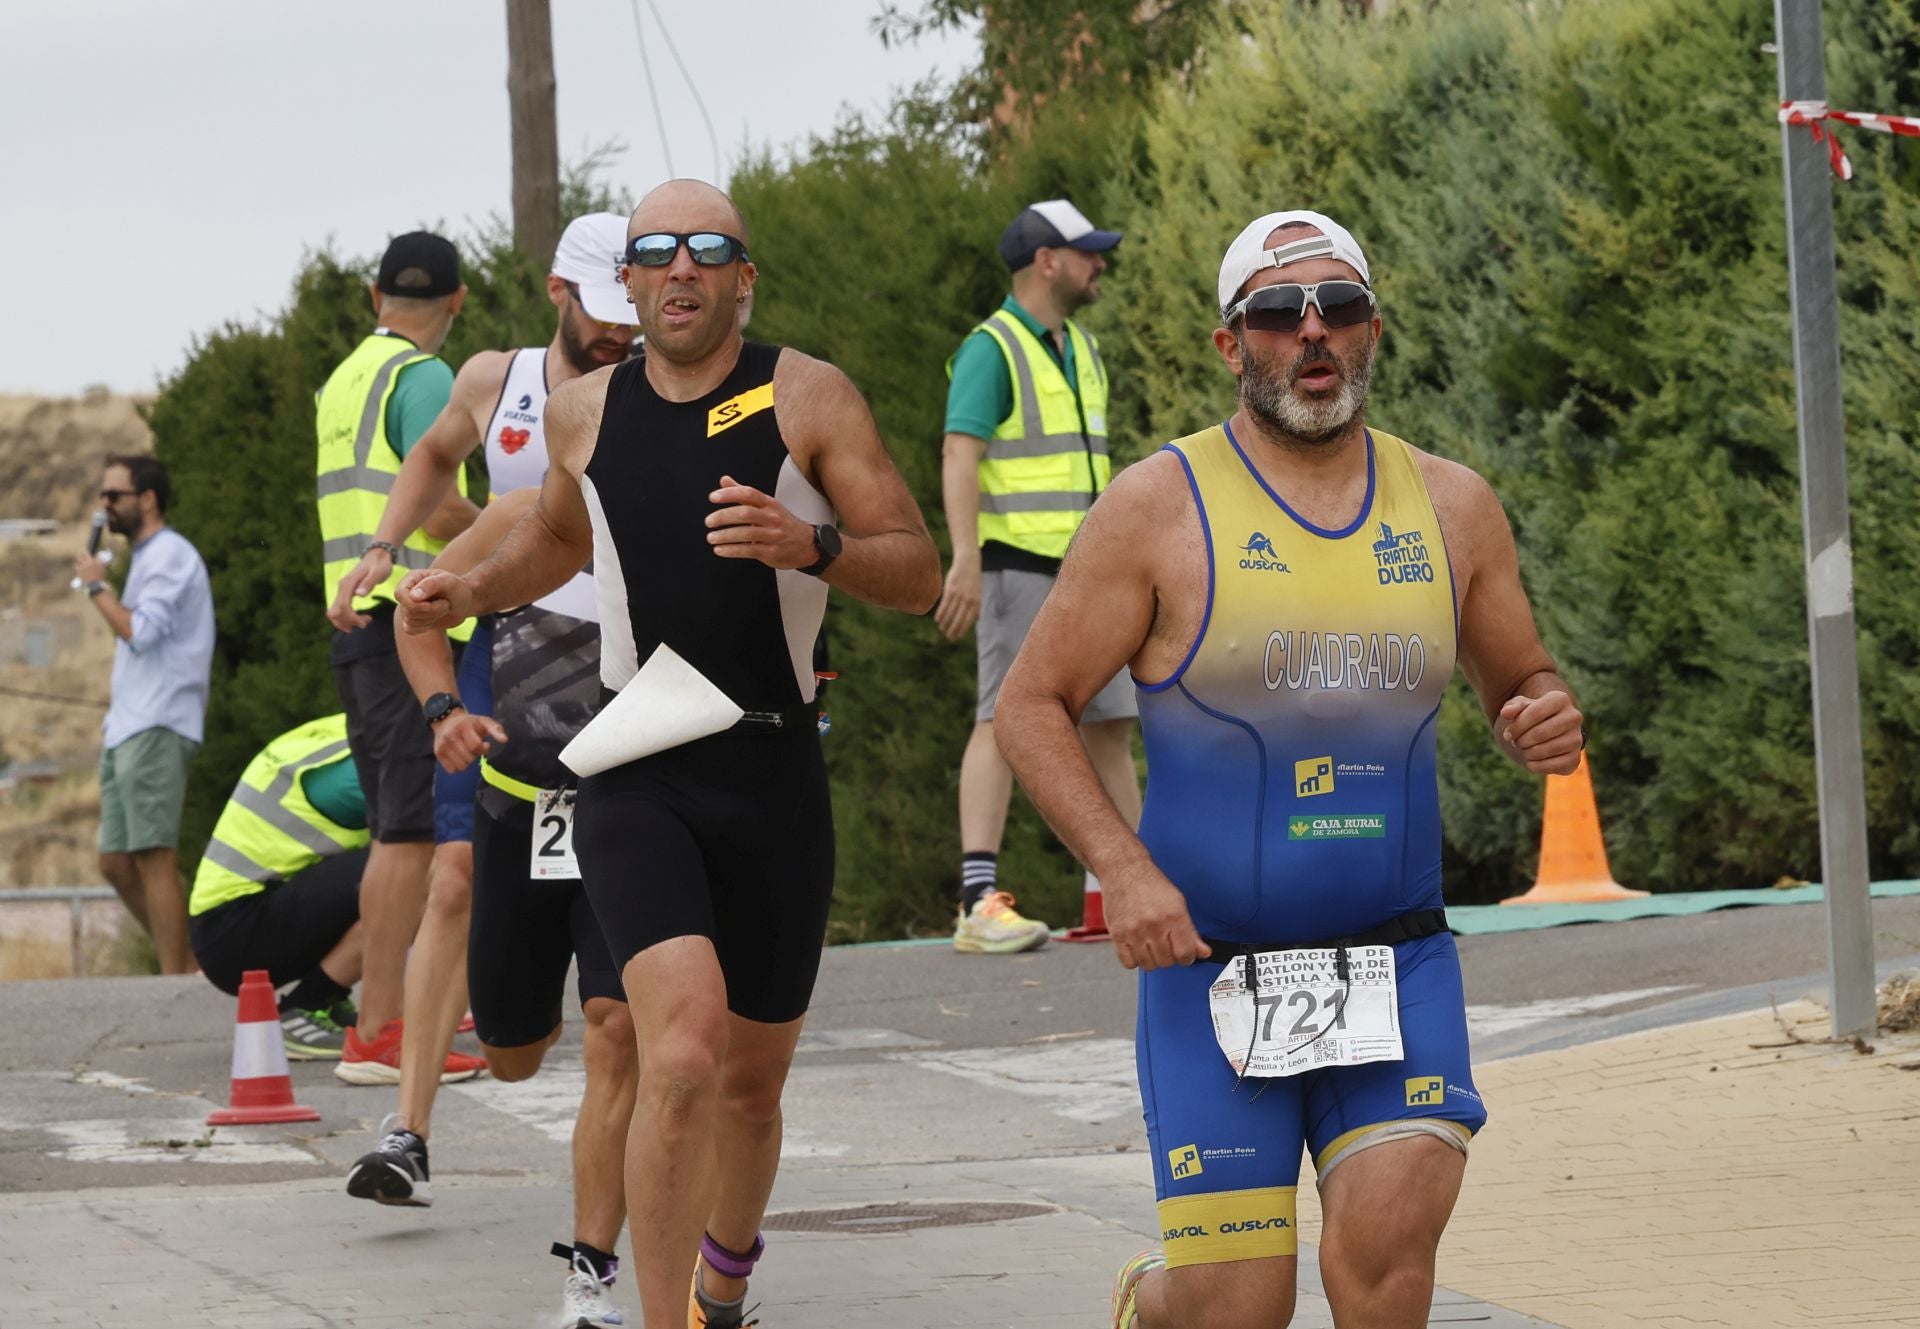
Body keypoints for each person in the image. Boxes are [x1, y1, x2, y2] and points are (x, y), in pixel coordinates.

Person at [992, 211, 1586, 1329]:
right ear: (1233, 345)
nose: (1311, 335)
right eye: (1277, 313)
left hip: (1397, 965)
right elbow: (1030, 705)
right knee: (1235, 1307)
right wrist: (1121, 866)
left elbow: (1528, 681)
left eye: (1339, 309)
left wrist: (1541, 719)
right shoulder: (1155, 509)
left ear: (1372, 330)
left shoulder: (1453, 508)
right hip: (1213, 974)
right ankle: (1162, 1304)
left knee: (1386, 1244)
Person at [395, 179, 941, 1329]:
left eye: (708, 250)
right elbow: (553, 535)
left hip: (773, 770)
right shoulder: (585, 411)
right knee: (678, 1048)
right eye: (657, 251)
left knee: (750, 1084)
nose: (680, 267)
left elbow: (918, 568)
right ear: (629, 281)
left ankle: (724, 1283)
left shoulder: (807, 396)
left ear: (745, 278)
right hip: (638, 766)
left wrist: (814, 544)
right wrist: (469, 591)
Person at [328, 213, 635, 1141]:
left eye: (633, 314)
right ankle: (407, 1130)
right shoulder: (494, 382)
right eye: (603, 314)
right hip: (505, 650)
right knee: (452, 877)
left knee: (620, 901)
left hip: (623, 665)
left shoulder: (660, 384)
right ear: (558, 293)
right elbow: (429, 455)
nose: (620, 334)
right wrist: (387, 544)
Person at [345, 490, 634, 1327]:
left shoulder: (671, 496)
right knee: (513, 1053)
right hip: (521, 806)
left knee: (618, 1027)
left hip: (633, 803)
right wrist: (442, 709)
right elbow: (415, 614)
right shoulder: (520, 512)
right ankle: (451, 1086)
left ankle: (591, 1276)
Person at [933, 199, 1141, 954]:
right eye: (1087, 252)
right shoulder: (993, 347)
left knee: (1111, 725)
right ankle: (978, 900)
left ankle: (1127, 883)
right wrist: (963, 557)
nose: (1100, 264)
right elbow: (962, 454)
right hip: (1018, 568)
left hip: (1092, 574)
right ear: (1046, 260)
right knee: (1002, 719)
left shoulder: (1082, 348)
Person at [314, 229, 484, 1084]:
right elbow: (442, 504)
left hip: (357, 621)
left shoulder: (346, 377)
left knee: (397, 823)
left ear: (375, 296)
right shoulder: (424, 377)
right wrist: (521, 532)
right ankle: (380, 1028)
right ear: (456, 303)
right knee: (411, 830)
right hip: (406, 622)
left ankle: (388, 1017)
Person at [73, 455, 213, 975]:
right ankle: (185, 961)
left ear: (147, 499)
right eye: (104, 496)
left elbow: (142, 631)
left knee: (155, 854)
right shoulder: (146, 558)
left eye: (115, 496)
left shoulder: (170, 555)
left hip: (159, 722)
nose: (104, 506)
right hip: (128, 725)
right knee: (114, 861)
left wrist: (95, 586)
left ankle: (175, 977)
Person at [188, 715, 367, 1058]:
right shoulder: (354, 772)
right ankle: (307, 1004)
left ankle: (329, 999)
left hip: (231, 921)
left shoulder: (349, 732)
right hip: (237, 929)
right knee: (413, 870)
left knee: (401, 867)